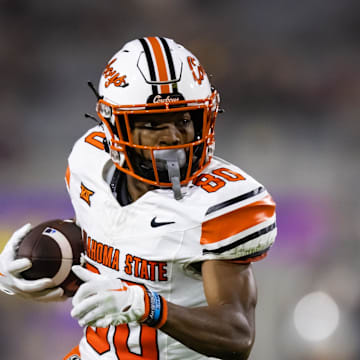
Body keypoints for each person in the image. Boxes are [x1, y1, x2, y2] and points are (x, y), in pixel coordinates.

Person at [0, 36, 277, 360]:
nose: (172, 136)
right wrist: (29, 267)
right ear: (115, 128)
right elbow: (116, 241)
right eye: (151, 123)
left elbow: (236, 334)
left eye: (184, 120)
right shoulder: (89, 162)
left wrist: (148, 306)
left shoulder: (218, 205)